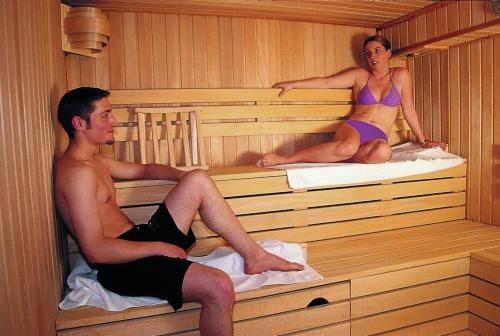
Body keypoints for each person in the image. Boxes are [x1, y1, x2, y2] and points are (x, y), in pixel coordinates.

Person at [54, 87, 303, 335]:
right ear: (79, 123)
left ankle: (255, 256)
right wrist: (159, 248)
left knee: (198, 180)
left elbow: (143, 170)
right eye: (105, 115)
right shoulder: (77, 174)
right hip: (123, 267)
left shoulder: (94, 162)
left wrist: (186, 177)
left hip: (139, 239)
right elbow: (95, 251)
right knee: (219, 287)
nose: (114, 121)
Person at [258, 35, 447, 167]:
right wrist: (295, 84)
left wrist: (423, 140)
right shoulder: (360, 76)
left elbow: (409, 110)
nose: (372, 56)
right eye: (368, 53)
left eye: (377, 50)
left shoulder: (401, 75)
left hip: (378, 134)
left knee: (384, 153)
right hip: (355, 127)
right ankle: (287, 159)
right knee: (347, 146)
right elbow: (327, 82)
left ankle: (341, 157)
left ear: (388, 53)